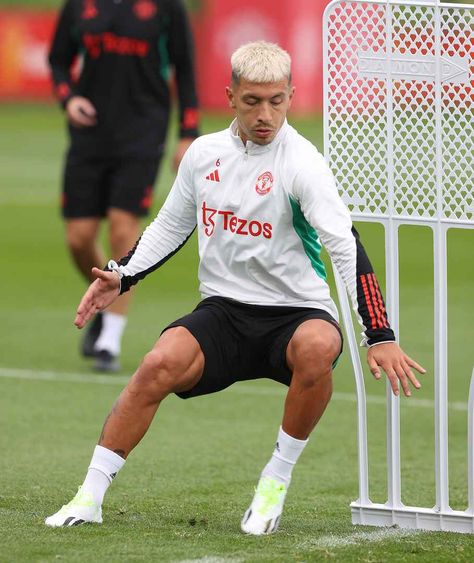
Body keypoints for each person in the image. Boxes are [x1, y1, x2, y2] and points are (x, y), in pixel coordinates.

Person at [45, 41, 425, 535]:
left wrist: (379, 333)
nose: (265, 114)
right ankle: (89, 496)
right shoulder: (204, 154)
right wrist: (121, 274)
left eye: (276, 101)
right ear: (230, 96)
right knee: (157, 364)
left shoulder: (304, 163)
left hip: (296, 312)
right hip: (223, 311)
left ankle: (274, 483)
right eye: (252, 101)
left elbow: (345, 246)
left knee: (319, 346)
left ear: (291, 95)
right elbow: (169, 226)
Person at [48, 0, 200, 372]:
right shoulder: (79, 6)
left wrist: (187, 133)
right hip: (90, 135)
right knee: (78, 238)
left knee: (122, 228)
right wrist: (69, 99)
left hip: (143, 134)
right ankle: (105, 293)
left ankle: (109, 342)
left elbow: (186, 69)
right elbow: (57, 61)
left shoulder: (168, 8)